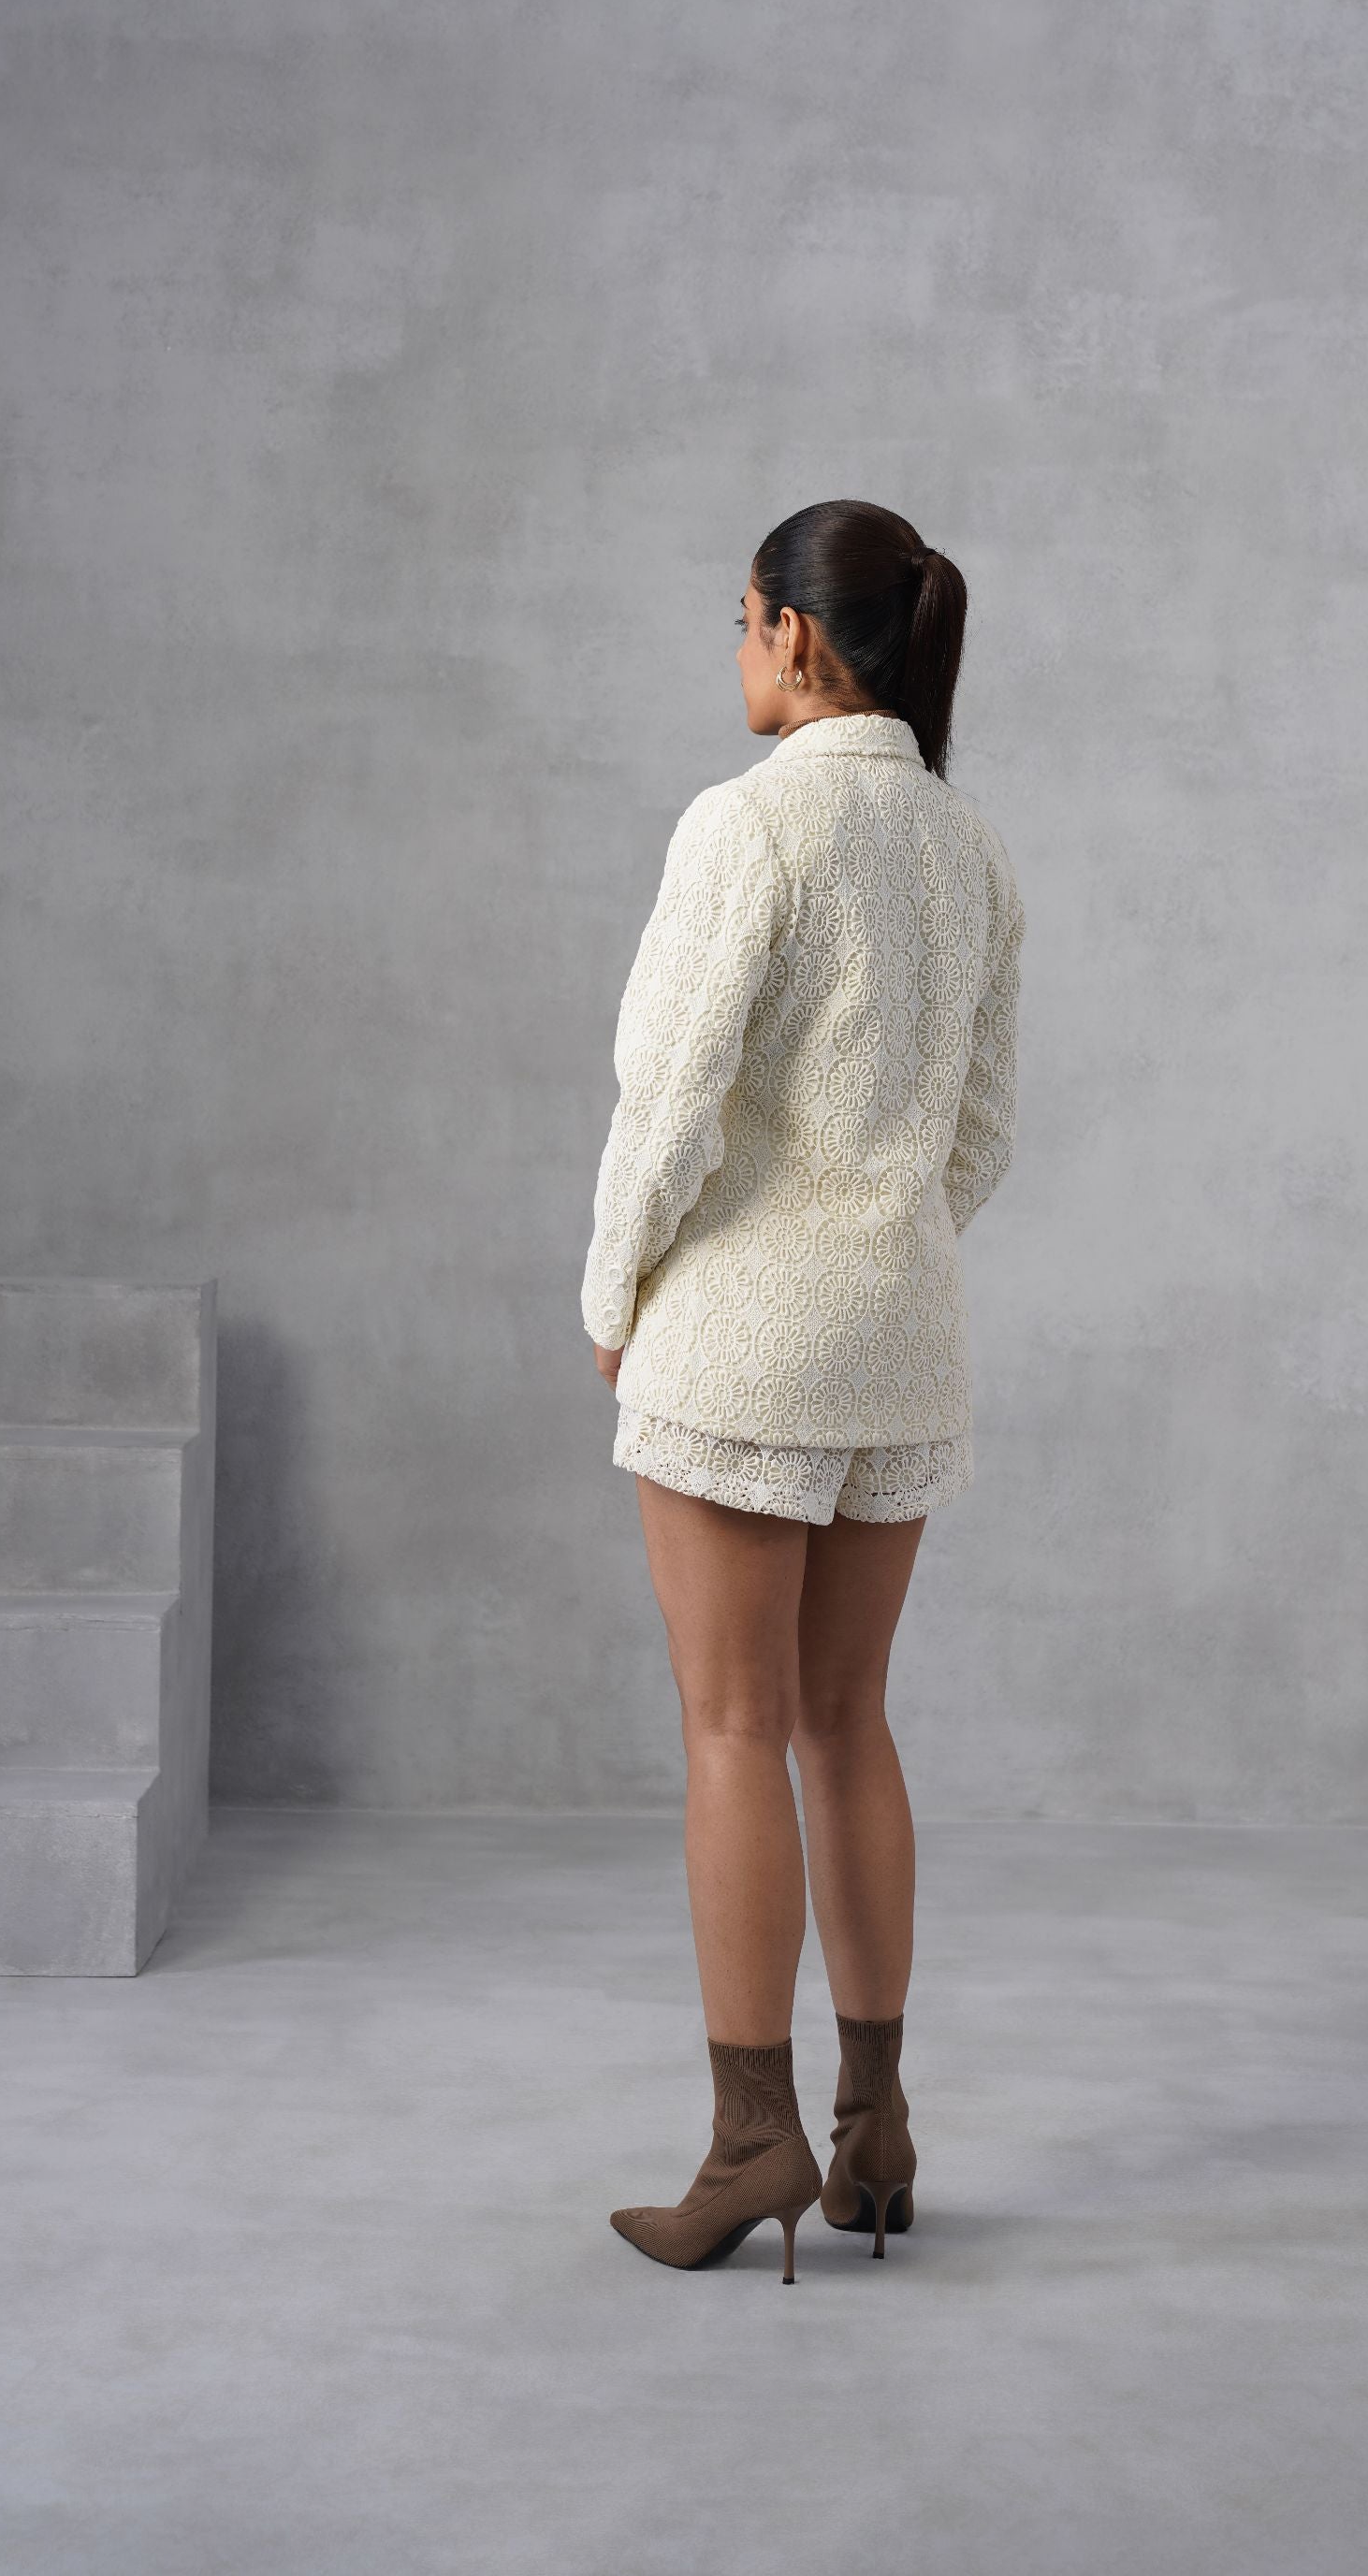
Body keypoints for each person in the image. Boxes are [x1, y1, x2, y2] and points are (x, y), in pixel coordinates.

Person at [579, 497, 1025, 2282]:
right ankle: (877, 2129)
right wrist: (881, 1245)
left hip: (742, 1339)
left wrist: (616, 1287)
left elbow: (668, 1100)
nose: (736, 649)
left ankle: (747, 2142)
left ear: (793, 635)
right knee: (850, 1719)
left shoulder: (746, 825)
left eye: (742, 618)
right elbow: (981, 1134)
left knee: (730, 1725)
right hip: (904, 1336)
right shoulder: (970, 849)